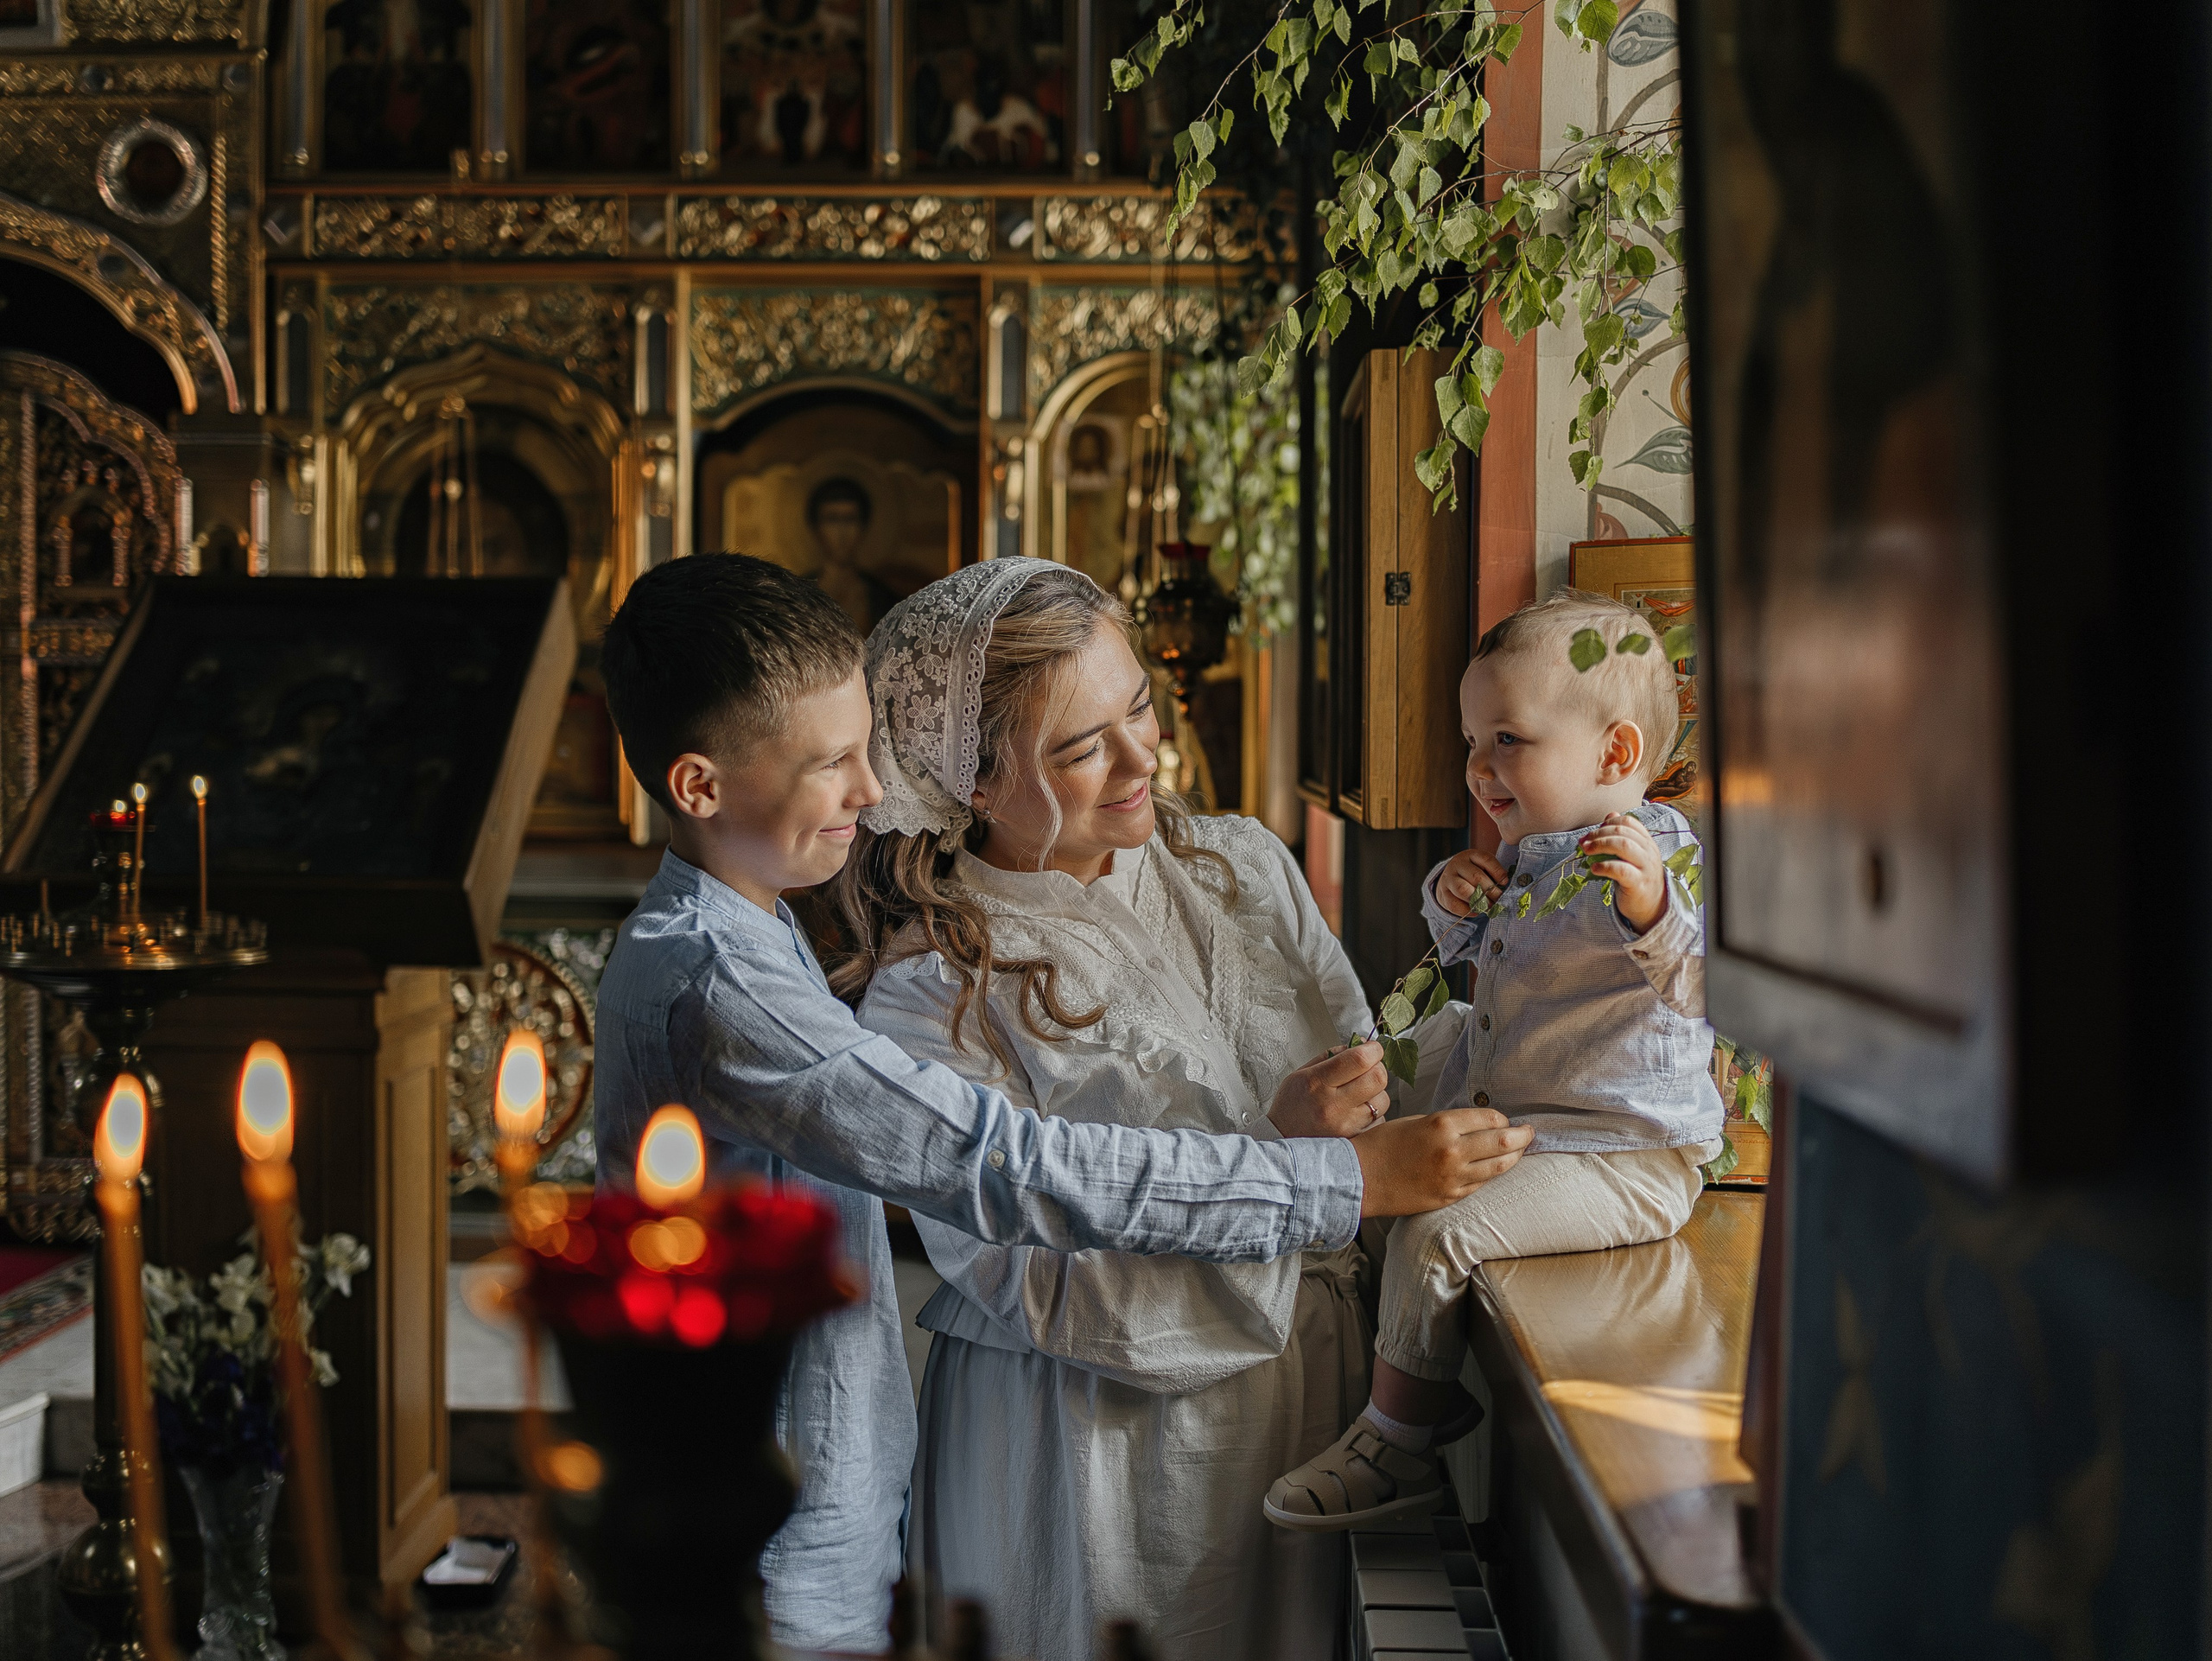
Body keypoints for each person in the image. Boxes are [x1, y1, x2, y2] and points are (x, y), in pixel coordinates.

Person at [591, 553, 1531, 1656]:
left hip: (841, 1481)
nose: (872, 787)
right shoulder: (728, 979)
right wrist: (1332, 1174)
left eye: (867, 750)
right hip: (807, 1502)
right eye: (838, 762)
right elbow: (1003, 1165)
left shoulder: (760, 931)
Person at [836, 560, 1414, 1661]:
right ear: (972, 782)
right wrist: (1282, 1158)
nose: (1143, 757)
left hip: (1317, 1406)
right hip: (1100, 1451)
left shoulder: (1240, 866)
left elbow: (1371, 1076)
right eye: (1079, 745)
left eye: (1138, 705)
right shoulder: (935, 990)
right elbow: (1034, 1272)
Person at [1266, 589, 1726, 1530]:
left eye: (1507, 739)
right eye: (1471, 741)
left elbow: (1705, 989)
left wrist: (1652, 915)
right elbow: (1475, 958)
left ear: (1616, 753)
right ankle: (1427, 1392)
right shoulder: (1525, 855)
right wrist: (1451, 892)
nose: (1478, 767)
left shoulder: (1658, 855)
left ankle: (1397, 1450)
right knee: (1385, 1182)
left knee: (1442, 1231)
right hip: (1532, 1127)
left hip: (1624, 1157)